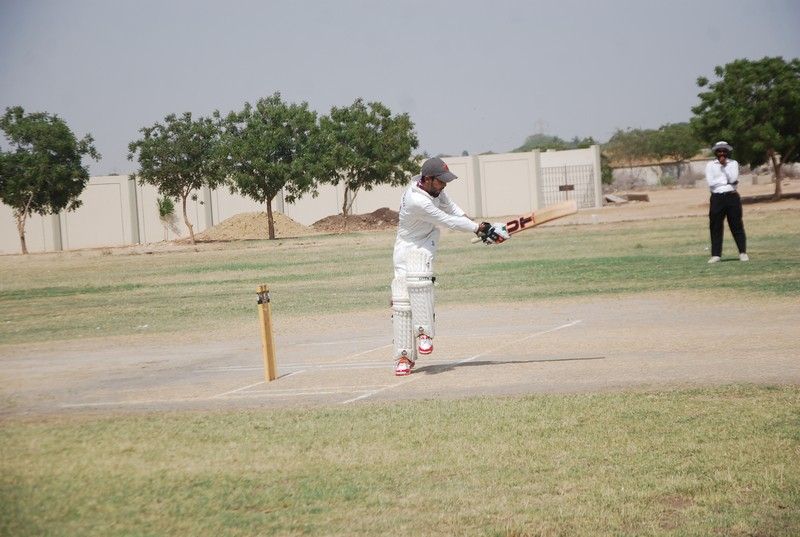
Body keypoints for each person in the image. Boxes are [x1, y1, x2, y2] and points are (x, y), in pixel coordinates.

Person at [390, 157, 509, 376]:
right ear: (427, 179)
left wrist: (481, 227)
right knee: (401, 300)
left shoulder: (435, 191)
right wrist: (478, 229)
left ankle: (424, 333)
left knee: (419, 277)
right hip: (404, 247)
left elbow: (453, 209)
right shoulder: (417, 200)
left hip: (425, 242)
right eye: (441, 181)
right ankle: (404, 357)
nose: (444, 185)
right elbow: (447, 221)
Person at [705, 141, 748, 263]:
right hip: (717, 198)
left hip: (732, 197)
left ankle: (742, 252)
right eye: (719, 151)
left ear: (727, 152)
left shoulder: (733, 163)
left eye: (724, 151)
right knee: (715, 226)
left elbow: (733, 178)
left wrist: (724, 168)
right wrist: (725, 182)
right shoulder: (710, 165)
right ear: (716, 152)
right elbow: (711, 182)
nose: (722, 153)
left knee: (736, 225)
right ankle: (716, 255)